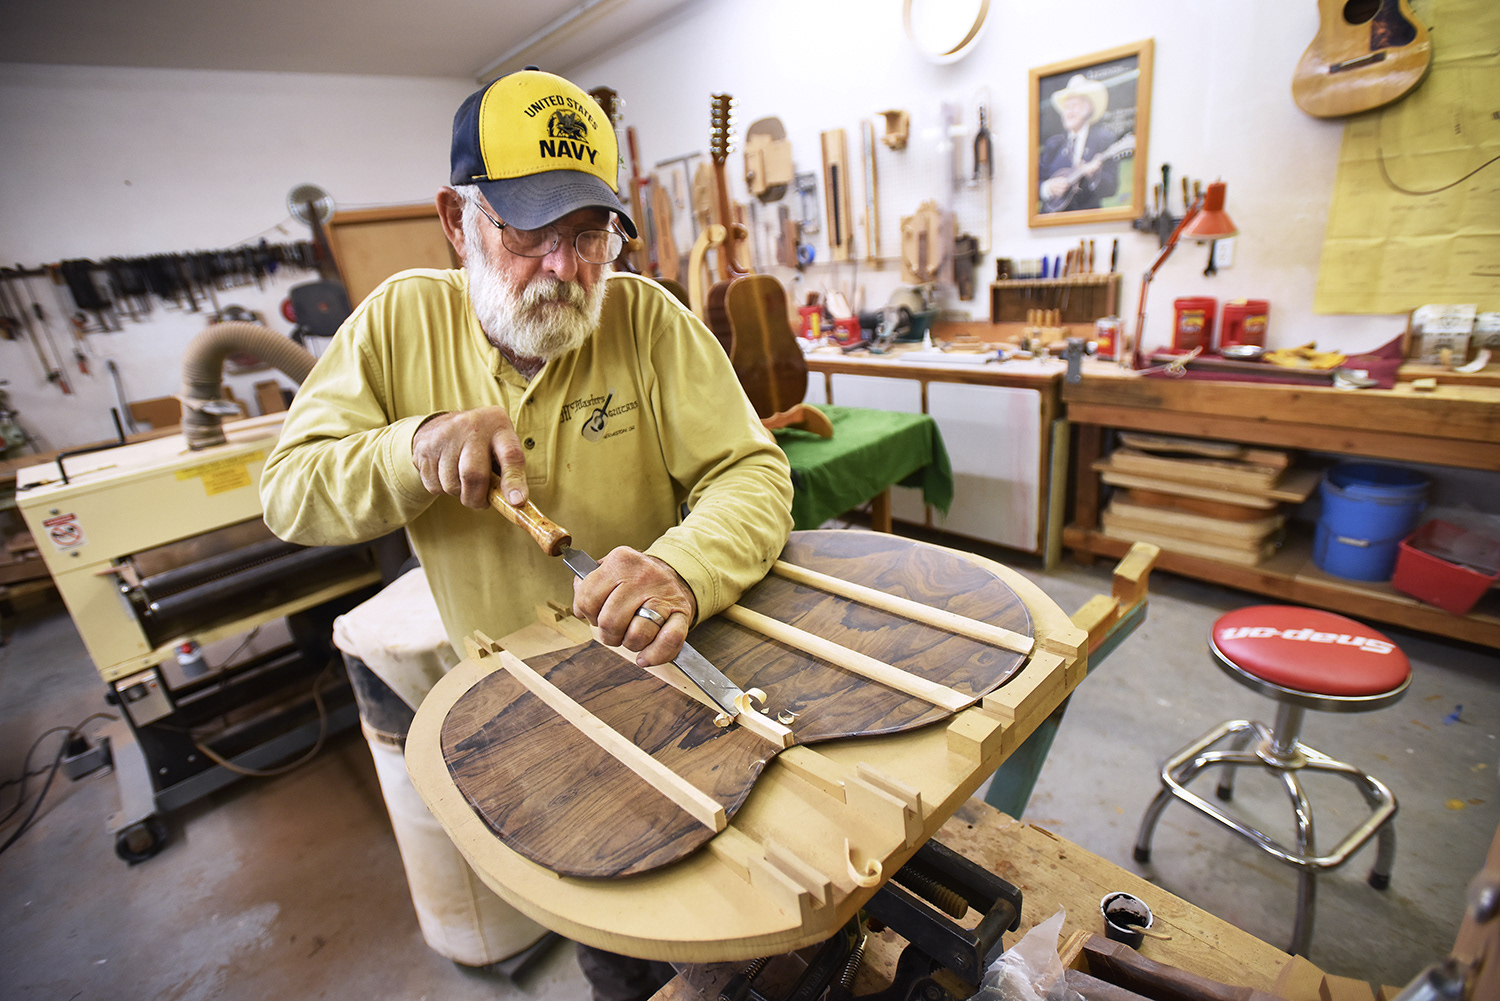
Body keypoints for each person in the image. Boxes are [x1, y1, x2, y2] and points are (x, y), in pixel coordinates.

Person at [259, 68, 794, 1001]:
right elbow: (290, 493)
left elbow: (752, 472)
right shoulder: (395, 324)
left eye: (589, 233)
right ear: (454, 219)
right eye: (528, 231)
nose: (563, 266)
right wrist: (412, 445)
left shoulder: (648, 320)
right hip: (517, 723)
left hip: (671, 685)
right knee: (610, 947)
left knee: (744, 936)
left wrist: (681, 568)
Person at [1037, 74, 1121, 213]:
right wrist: (1048, 187)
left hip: (1087, 219)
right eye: (1066, 107)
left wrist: (1094, 175)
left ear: (1088, 108)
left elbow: (1111, 187)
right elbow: (1034, 183)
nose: (1068, 112)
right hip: (1052, 221)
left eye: (1074, 106)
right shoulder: (1054, 144)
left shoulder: (1103, 139)